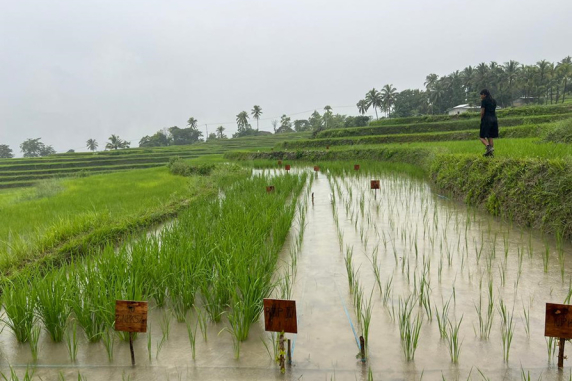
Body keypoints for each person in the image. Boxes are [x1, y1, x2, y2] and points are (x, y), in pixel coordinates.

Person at [479, 89, 498, 157]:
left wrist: (481, 119)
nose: (480, 96)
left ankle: (488, 147)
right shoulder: (493, 101)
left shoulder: (484, 101)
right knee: (490, 136)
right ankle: (490, 154)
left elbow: (482, 112)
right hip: (494, 119)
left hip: (487, 119)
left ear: (484, 94)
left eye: (481, 95)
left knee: (482, 137)